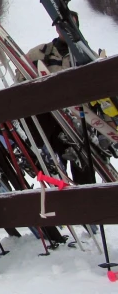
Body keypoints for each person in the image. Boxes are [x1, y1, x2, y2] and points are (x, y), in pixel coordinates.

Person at [23, 13, 95, 184]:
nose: (66, 29)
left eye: (70, 25)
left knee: (85, 179)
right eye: (62, 25)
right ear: (56, 28)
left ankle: (88, 207)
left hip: (80, 126)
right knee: (56, 179)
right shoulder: (39, 54)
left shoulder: (86, 55)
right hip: (49, 126)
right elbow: (19, 86)